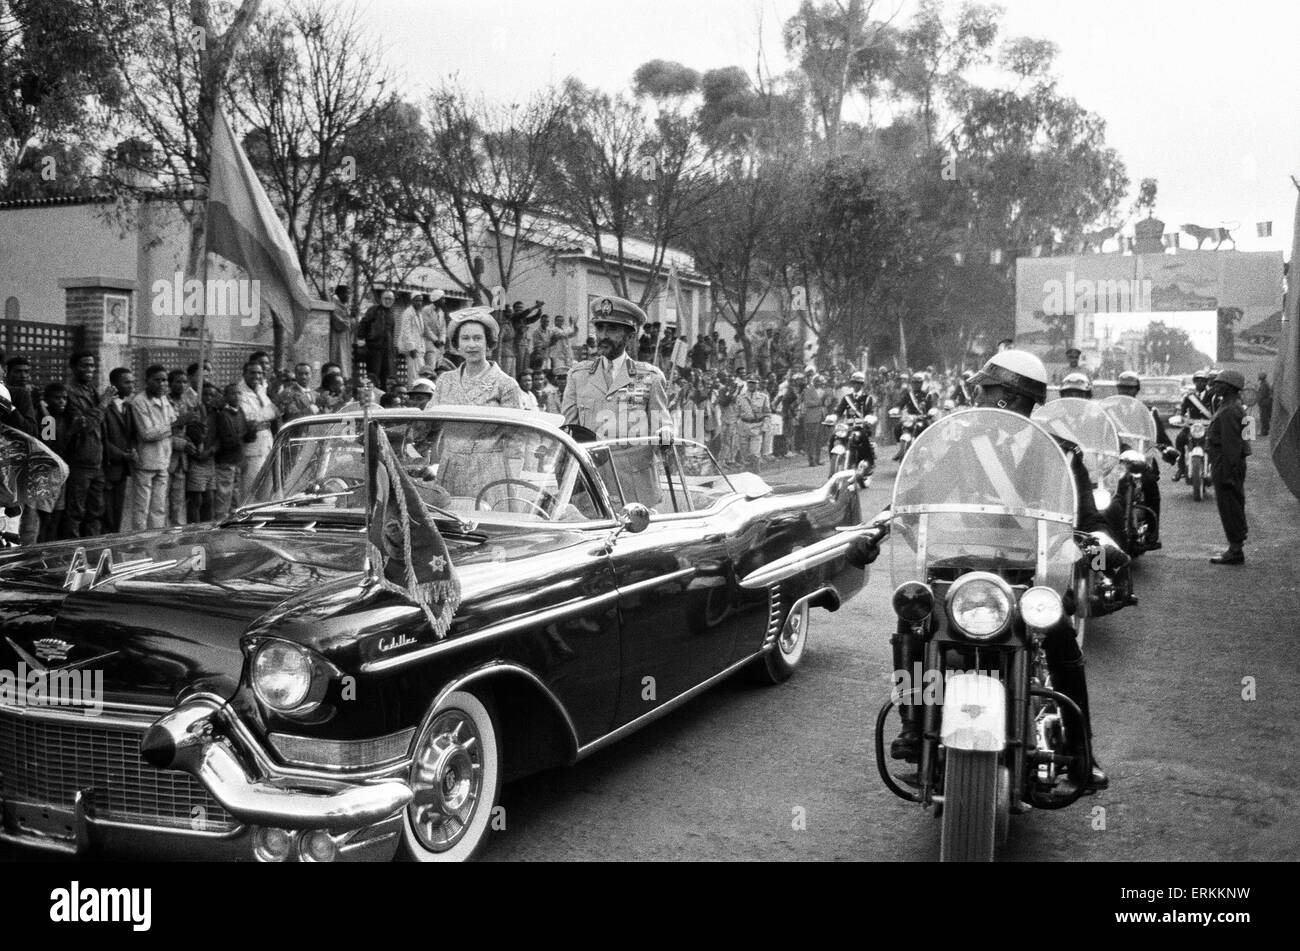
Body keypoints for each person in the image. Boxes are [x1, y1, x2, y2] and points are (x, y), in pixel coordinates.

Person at [854, 350, 1115, 792]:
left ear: (1008, 399)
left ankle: (1079, 751)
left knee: (1060, 636)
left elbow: (1088, 517)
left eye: (986, 390)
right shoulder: (963, 446)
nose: (977, 396)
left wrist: (1104, 545)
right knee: (914, 611)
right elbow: (913, 495)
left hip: (1033, 573)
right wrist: (878, 526)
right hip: (963, 564)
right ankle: (915, 725)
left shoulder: (1059, 453)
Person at [561, 296, 672, 441]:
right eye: (600, 328)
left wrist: (665, 431)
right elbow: (568, 431)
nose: (603, 336)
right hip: (590, 463)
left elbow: (663, 426)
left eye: (612, 329)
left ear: (630, 337)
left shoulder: (651, 378)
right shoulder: (577, 375)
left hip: (633, 463)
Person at [1115, 371, 1177, 548]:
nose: (1126, 392)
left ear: (1136, 390)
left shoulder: (1147, 413)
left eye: (1130, 389)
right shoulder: (1108, 411)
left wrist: (1167, 449)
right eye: (1122, 388)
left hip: (1142, 462)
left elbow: (1160, 437)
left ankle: (1151, 532)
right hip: (1115, 462)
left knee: (1150, 485)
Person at [62, 351, 115, 538]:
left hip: (97, 462)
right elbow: (85, 425)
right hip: (79, 462)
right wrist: (104, 404)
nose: (89, 370)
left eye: (92, 366)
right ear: (74, 368)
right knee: (75, 513)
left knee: (96, 512)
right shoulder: (68, 393)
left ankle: (93, 553)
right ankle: (71, 554)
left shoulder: (92, 391)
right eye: (84, 365)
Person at [432, 307, 522, 410]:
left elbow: (511, 424)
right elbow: (430, 418)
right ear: (458, 345)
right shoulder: (445, 380)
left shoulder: (507, 385)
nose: (471, 345)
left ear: (488, 343)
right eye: (465, 338)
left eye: (477, 338)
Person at [126, 364, 177, 530]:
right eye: (157, 380)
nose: (162, 384)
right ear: (147, 381)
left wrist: (172, 426)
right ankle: (138, 543)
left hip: (163, 459)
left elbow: (171, 421)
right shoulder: (139, 402)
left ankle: (155, 542)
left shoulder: (164, 399)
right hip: (145, 462)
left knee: (159, 507)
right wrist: (173, 426)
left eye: (164, 380)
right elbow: (147, 433)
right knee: (142, 508)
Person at [1207, 370, 1249, 564]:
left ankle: (1235, 550)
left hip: (1226, 463)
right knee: (1233, 504)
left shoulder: (1230, 409)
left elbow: (1232, 445)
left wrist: (1228, 472)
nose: (1214, 387)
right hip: (1227, 462)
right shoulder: (1233, 406)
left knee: (1230, 506)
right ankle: (1235, 547)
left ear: (1229, 387)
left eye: (1218, 383)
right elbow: (1248, 437)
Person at [236, 361, 279, 496]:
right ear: (244, 374)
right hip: (251, 449)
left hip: (267, 444)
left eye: (259, 373)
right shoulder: (240, 392)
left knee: (266, 490)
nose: (257, 376)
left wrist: (266, 414)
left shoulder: (261, 390)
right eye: (252, 372)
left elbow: (275, 412)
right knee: (250, 489)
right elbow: (249, 418)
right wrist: (267, 414)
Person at [103, 368, 137, 534]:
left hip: (123, 470)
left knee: (117, 513)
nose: (131, 386)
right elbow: (103, 440)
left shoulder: (128, 407)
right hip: (109, 467)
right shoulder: (105, 407)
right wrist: (123, 455)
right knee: (106, 514)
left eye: (132, 382)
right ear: (114, 385)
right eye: (127, 382)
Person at [213, 382, 254, 520]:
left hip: (237, 462)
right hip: (226, 462)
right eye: (232, 393)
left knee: (235, 499)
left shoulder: (240, 412)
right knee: (223, 498)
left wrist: (252, 429)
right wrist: (246, 430)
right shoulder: (223, 415)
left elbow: (247, 437)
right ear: (225, 396)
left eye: (238, 393)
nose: (236, 396)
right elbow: (229, 440)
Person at [166, 368, 200, 526]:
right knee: (161, 503)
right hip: (166, 457)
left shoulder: (187, 403)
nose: (181, 385)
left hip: (181, 461)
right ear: (170, 384)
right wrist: (182, 443)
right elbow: (164, 431)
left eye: (184, 382)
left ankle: (175, 534)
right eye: (177, 381)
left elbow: (186, 430)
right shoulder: (165, 402)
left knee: (178, 502)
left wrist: (189, 441)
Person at [185, 382, 221, 523]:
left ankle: (206, 529)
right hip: (197, 460)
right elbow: (193, 435)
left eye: (212, 395)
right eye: (205, 394)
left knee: (209, 498)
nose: (208, 398)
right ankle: (193, 528)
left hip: (209, 459)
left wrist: (211, 450)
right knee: (196, 499)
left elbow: (219, 437)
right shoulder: (193, 414)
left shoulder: (216, 415)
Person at [1174, 368, 1214, 481]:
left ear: (1206, 382)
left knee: (1218, 442)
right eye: (1197, 381)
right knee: (1180, 440)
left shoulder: (1212, 396)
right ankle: (1181, 468)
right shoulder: (1189, 396)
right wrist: (1180, 419)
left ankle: (1217, 469)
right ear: (1194, 382)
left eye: (1203, 381)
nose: (1200, 383)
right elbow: (1182, 412)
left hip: (1208, 427)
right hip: (1192, 427)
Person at [833, 370, 876, 472]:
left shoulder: (867, 398)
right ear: (851, 384)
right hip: (848, 427)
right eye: (854, 383)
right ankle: (834, 460)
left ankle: (869, 462)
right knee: (834, 438)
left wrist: (868, 419)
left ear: (862, 385)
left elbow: (870, 412)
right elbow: (839, 411)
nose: (857, 385)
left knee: (863, 439)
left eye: (859, 383)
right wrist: (833, 417)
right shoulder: (847, 398)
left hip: (861, 427)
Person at [357, 289, 397, 387]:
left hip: (387, 350)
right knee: (373, 375)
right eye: (386, 298)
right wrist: (361, 340)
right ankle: (370, 395)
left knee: (386, 376)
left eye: (390, 299)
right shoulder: (373, 310)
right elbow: (363, 324)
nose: (388, 301)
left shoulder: (391, 314)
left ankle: (383, 397)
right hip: (374, 349)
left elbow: (391, 332)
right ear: (381, 299)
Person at [734, 375, 771, 472]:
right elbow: (737, 413)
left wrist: (764, 427)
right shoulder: (740, 397)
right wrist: (737, 425)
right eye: (749, 382)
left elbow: (767, 414)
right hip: (743, 426)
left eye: (754, 383)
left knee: (755, 453)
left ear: (758, 384)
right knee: (745, 454)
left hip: (756, 427)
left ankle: (756, 474)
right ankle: (747, 475)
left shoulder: (763, 397)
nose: (751, 385)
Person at [329, 285, 354, 379]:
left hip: (344, 339)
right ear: (340, 294)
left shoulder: (343, 305)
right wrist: (350, 321)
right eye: (347, 294)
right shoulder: (334, 305)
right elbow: (340, 324)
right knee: (338, 359)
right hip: (337, 338)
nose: (348, 296)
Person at [803, 374, 828, 467]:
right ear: (814, 382)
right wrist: (819, 402)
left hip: (821, 417)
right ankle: (811, 460)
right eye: (817, 382)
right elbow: (808, 403)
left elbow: (826, 403)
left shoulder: (824, 391)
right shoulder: (808, 391)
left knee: (819, 439)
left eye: (820, 382)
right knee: (811, 440)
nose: (819, 383)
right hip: (811, 418)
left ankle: (818, 459)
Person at [1256, 371, 1272, 437]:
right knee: (1266, 418)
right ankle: (1265, 431)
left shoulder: (1264, 385)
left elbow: (1262, 395)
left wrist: (1258, 400)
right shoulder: (1265, 384)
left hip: (1264, 403)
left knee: (1264, 418)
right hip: (1266, 403)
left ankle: (1264, 432)